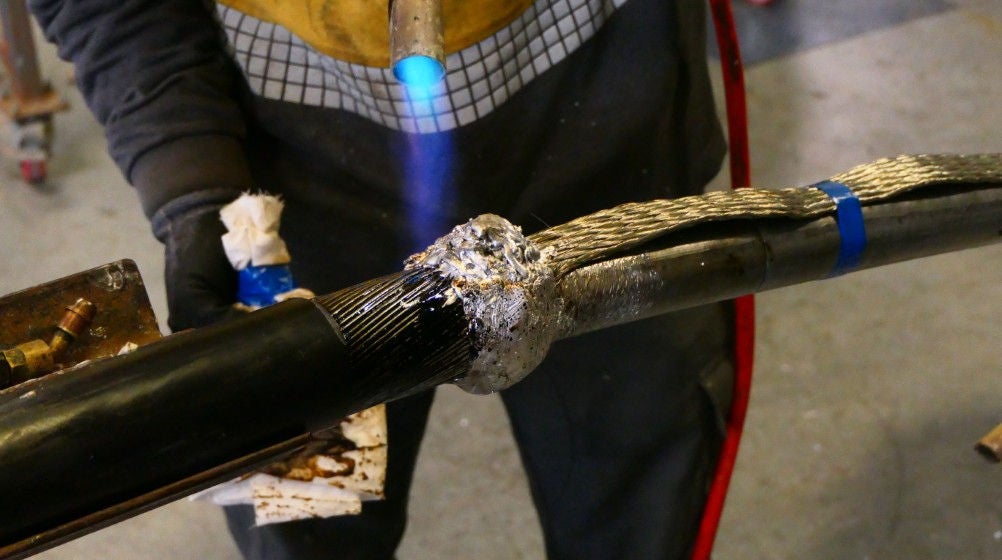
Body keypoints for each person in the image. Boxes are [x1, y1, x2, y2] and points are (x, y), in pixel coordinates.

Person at [30, 0, 734, 557]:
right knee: (310, 521)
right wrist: (190, 183)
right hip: (292, 172)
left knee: (634, 491)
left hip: (605, 112)